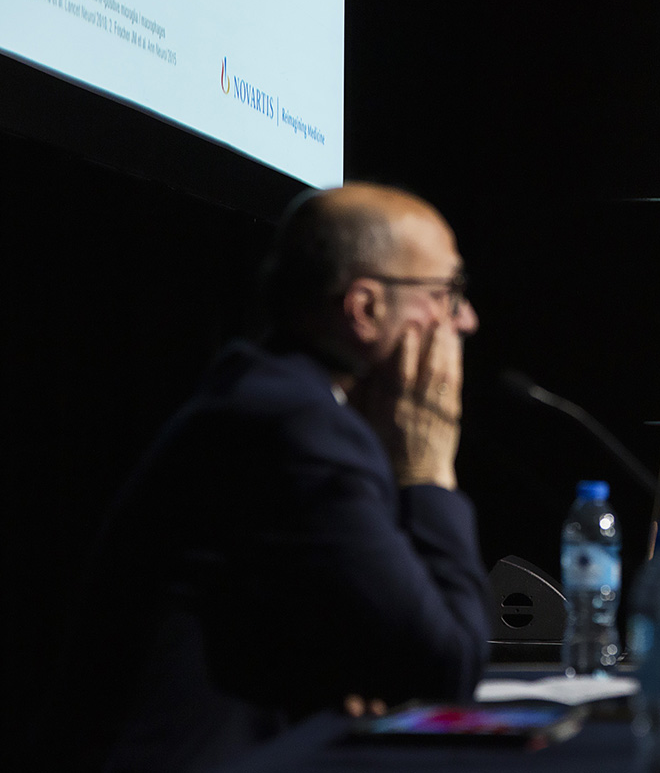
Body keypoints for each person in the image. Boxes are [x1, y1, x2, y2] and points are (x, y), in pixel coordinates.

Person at [39, 184, 490, 772]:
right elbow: (448, 666)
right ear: (365, 309)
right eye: (446, 294)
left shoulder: (278, 396)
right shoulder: (297, 425)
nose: (466, 319)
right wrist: (428, 470)